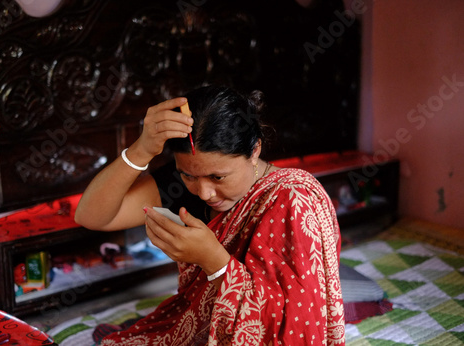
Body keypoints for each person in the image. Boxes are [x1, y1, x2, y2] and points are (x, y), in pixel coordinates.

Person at [75, 85, 345, 345]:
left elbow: (293, 324)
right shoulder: (183, 182)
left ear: (255, 151)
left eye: (218, 176)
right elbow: (92, 216)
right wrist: (141, 150)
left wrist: (212, 260)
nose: (204, 192)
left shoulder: (292, 200)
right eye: (188, 175)